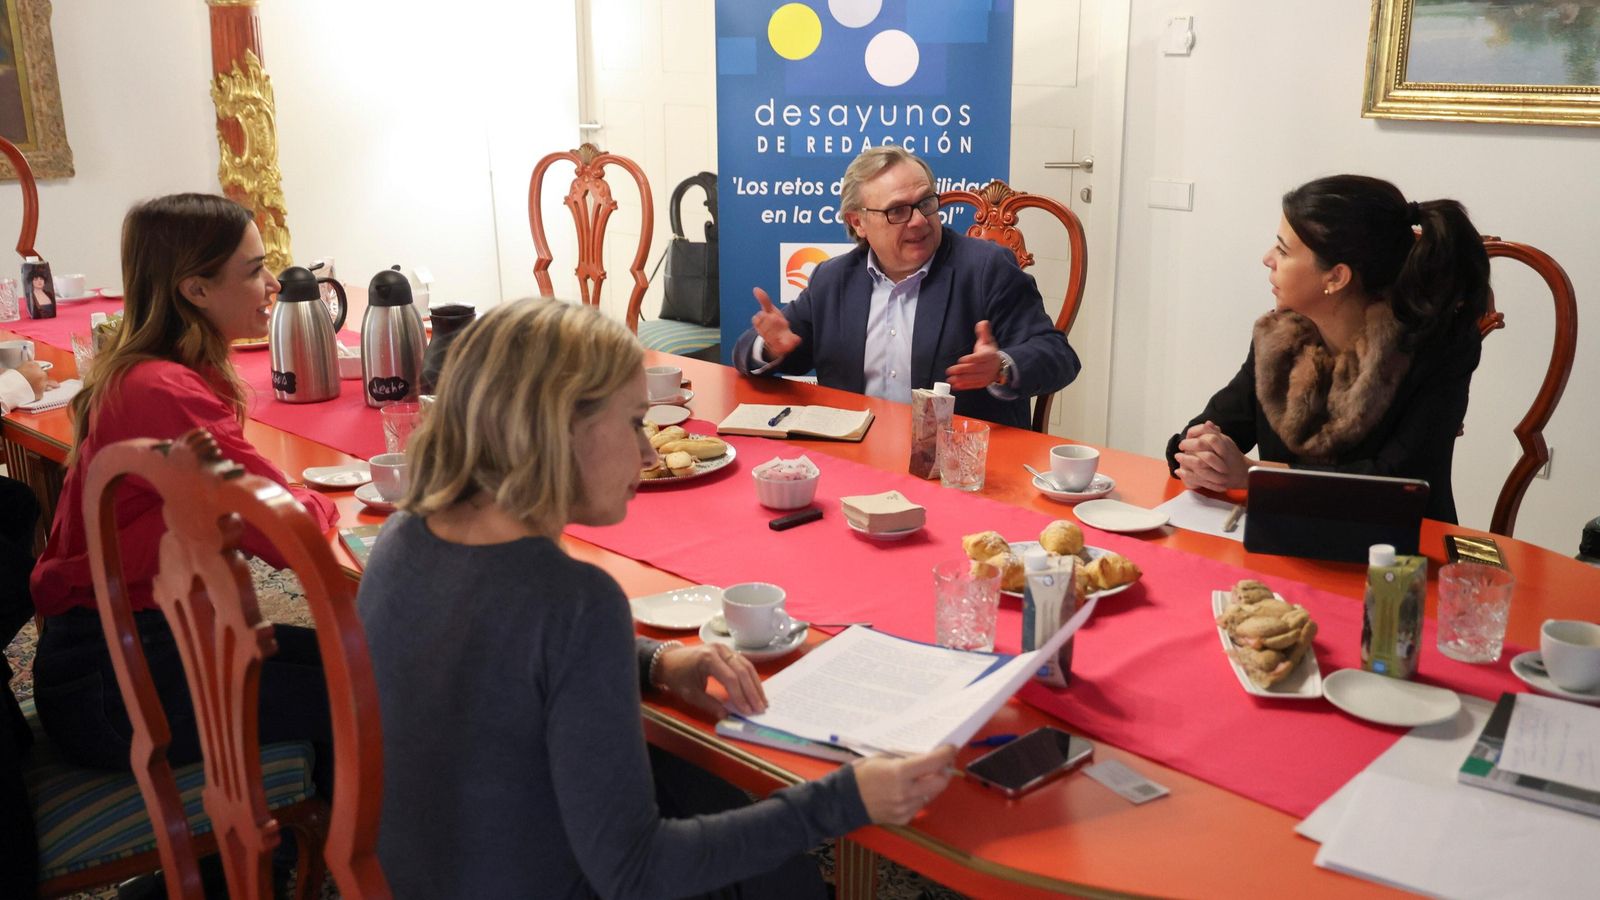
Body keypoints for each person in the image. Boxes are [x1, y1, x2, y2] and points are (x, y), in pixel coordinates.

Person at [357, 297, 956, 899]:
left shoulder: (402, 535)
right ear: (561, 425)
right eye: (633, 421)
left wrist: (652, 661)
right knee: (781, 871)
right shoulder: (575, 601)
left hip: (421, 875)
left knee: (700, 789)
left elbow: (507, 654)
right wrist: (847, 800)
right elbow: (637, 871)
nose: (647, 452)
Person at [29, 193, 337, 784]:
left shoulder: (144, 371)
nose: (271, 284)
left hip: (113, 656)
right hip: (117, 685)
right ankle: (282, 861)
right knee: (369, 689)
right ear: (194, 290)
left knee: (353, 665)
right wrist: (318, 498)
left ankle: (280, 856)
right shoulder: (165, 389)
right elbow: (287, 531)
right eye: (253, 271)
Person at [1168, 174, 1490, 523]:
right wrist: (1199, 452)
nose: (1267, 259)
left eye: (1283, 250)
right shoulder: (1281, 337)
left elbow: (1398, 482)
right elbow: (1209, 430)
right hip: (1286, 541)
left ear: (1336, 277)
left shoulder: (1437, 349)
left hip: (1401, 555)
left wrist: (1253, 475)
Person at [733, 146, 1079, 430]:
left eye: (926, 203)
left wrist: (1002, 366)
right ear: (858, 222)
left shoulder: (985, 268)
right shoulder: (833, 279)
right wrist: (770, 345)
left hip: (956, 463)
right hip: (856, 455)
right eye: (897, 211)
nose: (918, 221)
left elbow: (1058, 356)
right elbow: (757, 349)